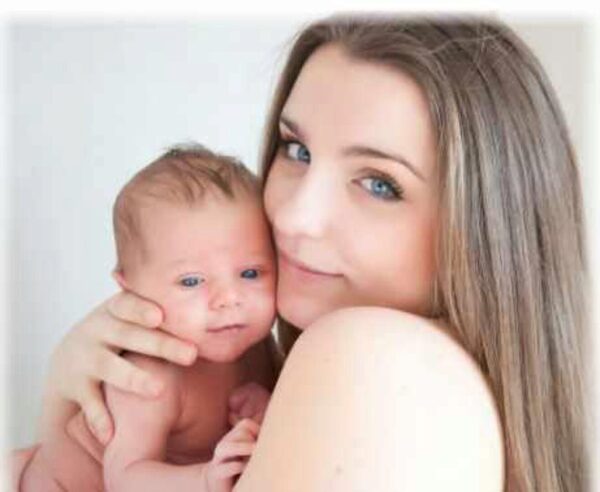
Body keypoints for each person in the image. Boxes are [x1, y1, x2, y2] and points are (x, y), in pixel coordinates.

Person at [12, 14, 589, 491]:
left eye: (379, 183)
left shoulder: (368, 357)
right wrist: (67, 414)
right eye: (297, 150)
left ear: (485, 224)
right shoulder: (434, 389)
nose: (292, 216)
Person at [17, 145, 278, 491]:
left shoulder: (257, 345)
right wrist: (204, 480)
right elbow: (125, 477)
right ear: (131, 290)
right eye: (191, 281)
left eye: (250, 273)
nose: (229, 299)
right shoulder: (148, 376)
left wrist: (267, 411)